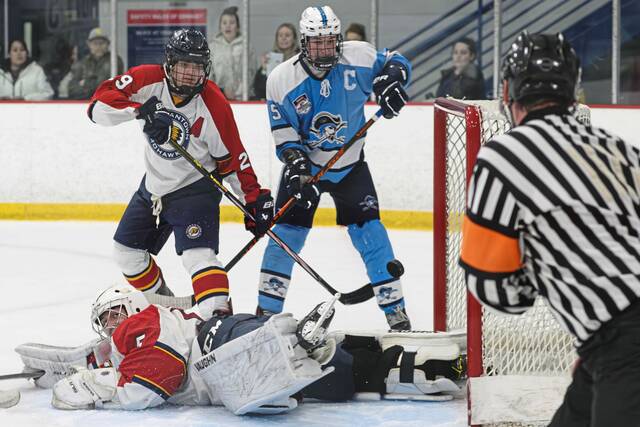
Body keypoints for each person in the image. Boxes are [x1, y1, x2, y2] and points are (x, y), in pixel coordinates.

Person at [459, 30, 640, 427]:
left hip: (622, 344)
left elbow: (497, 289)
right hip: (610, 346)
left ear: (510, 91)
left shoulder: (502, 157)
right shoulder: (618, 149)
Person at [15, 284, 465, 413]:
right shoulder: (124, 347)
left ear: (130, 305)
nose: (111, 324)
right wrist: (70, 372)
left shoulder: (143, 322)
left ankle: (297, 341)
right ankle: (404, 367)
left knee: (243, 345)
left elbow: (161, 375)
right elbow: (84, 360)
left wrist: (104, 390)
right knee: (329, 381)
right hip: (219, 377)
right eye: (105, 321)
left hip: (210, 342)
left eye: (113, 312)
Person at [87, 29, 274, 321]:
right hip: (154, 188)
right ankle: (166, 310)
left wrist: (253, 198)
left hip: (196, 188)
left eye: (197, 66)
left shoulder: (213, 103)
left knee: (197, 256)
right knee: (126, 253)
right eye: (184, 65)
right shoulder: (147, 80)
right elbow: (98, 106)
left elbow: (234, 157)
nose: (189, 73)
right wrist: (141, 111)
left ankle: (218, 320)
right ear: (170, 63)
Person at [257, 5, 412, 330]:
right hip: (307, 170)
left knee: (372, 234)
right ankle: (264, 318)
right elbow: (284, 134)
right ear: (304, 42)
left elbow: (397, 61)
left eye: (330, 42)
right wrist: (298, 168)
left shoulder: (358, 57)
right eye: (317, 42)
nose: (325, 49)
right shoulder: (282, 79)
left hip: (350, 167)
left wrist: (392, 82)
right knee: (284, 238)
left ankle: (396, 315)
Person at [209, 6, 256, 100]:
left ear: (238, 27)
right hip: (218, 96)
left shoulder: (246, 45)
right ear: (220, 27)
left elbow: (251, 71)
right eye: (224, 23)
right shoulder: (213, 46)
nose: (228, 26)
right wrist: (218, 91)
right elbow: (209, 74)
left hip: (243, 97)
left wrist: (239, 91)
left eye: (232, 22)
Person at [67, 28, 124, 100]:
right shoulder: (83, 62)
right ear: (89, 44)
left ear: (108, 44)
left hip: (106, 104)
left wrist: (85, 84)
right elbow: (71, 89)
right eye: (95, 43)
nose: (98, 46)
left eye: (101, 43)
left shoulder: (115, 61)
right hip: (83, 105)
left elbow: (105, 87)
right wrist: (91, 89)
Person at [252, 23, 300, 100]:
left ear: (294, 39)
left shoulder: (301, 59)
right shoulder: (270, 59)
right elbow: (259, 91)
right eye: (280, 35)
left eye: (287, 35)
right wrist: (264, 70)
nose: (283, 38)